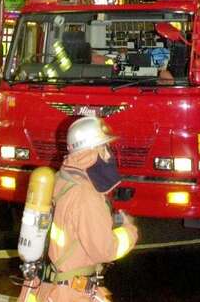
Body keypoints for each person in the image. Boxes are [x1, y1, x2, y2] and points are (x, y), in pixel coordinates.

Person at [36, 116, 138, 302]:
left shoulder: (62, 178)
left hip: (53, 287)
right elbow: (104, 251)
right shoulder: (86, 195)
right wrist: (129, 231)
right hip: (73, 294)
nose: (109, 155)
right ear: (93, 151)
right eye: (105, 148)